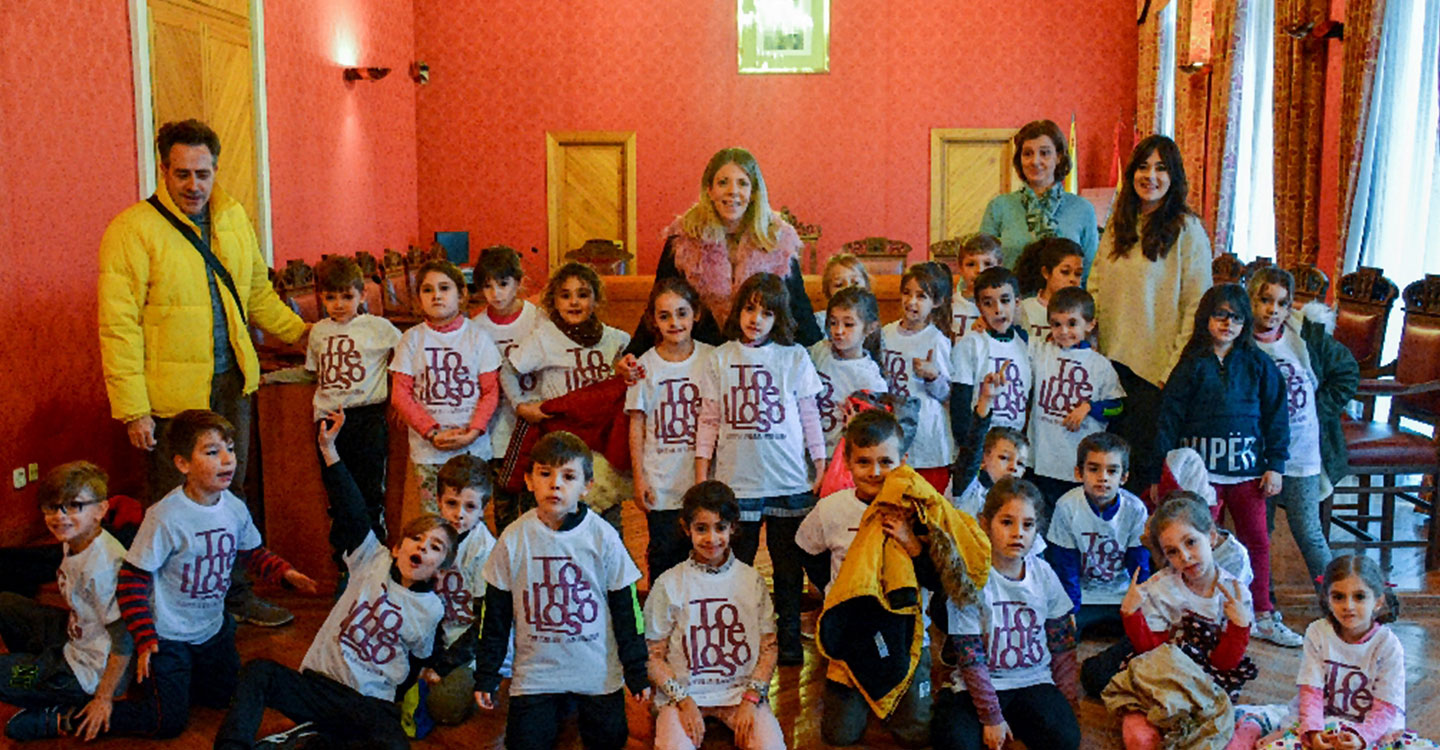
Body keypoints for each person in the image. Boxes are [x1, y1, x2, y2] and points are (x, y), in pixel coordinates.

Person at [97, 118, 307, 628]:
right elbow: (118, 327)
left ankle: (233, 597)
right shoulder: (131, 230)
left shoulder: (233, 217)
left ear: (216, 170)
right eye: (182, 173)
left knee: (229, 499)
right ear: (163, 170)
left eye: (203, 173)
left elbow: (257, 293)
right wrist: (133, 409)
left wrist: (307, 334)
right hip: (172, 400)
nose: (193, 185)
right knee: (174, 510)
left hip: (232, 381)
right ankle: (167, 612)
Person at [212, 412, 456, 750]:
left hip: (369, 704)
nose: (423, 548)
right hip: (320, 686)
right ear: (398, 547)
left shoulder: (431, 609)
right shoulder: (371, 559)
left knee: (393, 746)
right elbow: (350, 506)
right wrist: (329, 451)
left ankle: (312, 739)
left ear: (439, 571)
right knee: (259, 672)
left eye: (435, 548)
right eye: (416, 539)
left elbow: (420, 660)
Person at [108, 410, 317, 739]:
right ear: (182, 464)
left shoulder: (233, 506)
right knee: (168, 723)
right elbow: (132, 581)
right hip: (168, 637)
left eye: (230, 449)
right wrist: (145, 639)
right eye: (212, 452)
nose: (227, 460)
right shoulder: (164, 516)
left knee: (224, 699)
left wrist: (284, 573)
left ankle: (179, 679)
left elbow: (251, 552)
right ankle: (72, 715)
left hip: (212, 631)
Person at [473, 432, 649, 750]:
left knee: (611, 739)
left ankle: (574, 706)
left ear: (587, 487)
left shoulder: (602, 536)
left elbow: (627, 607)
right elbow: (494, 614)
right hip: (536, 674)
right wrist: (487, 672)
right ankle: (557, 708)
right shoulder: (514, 538)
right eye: (545, 474)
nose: (556, 484)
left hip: (596, 671)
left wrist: (636, 669)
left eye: (568, 476)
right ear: (529, 481)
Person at [1154, 284, 1300, 647]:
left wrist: (1275, 464)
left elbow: (1276, 418)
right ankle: (1198, 612)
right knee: (1201, 543)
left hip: (1248, 472)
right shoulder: (1190, 366)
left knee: (1257, 540)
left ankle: (1263, 612)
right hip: (1201, 476)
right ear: (1206, 318)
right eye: (1220, 314)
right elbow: (1167, 419)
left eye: (1236, 317)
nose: (1227, 323)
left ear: (1245, 322)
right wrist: (1162, 469)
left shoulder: (1259, 364)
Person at [695, 272, 825, 666]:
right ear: (738, 312)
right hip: (738, 483)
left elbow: (809, 416)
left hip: (788, 480)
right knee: (740, 566)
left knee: (788, 568)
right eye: (750, 309)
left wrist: (819, 463)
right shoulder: (720, 358)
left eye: (767, 313)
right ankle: (743, 633)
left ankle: (788, 636)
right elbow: (709, 419)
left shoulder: (794, 357)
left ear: (778, 317)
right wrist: (702, 473)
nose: (756, 319)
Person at [1088, 135, 1213, 492]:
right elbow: (1096, 283)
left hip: (1157, 371)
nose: (1150, 175)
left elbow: (1196, 305)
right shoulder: (1119, 222)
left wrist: (1172, 368)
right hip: (1111, 362)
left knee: (1145, 472)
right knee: (1111, 466)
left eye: (1160, 168)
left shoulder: (1187, 230)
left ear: (1173, 175)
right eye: (1143, 167)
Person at [619, 147, 821, 363]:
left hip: (763, 362)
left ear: (753, 193)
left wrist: (820, 356)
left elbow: (798, 309)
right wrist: (633, 354)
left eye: (742, 183)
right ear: (709, 190)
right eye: (723, 182)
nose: (732, 191)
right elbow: (660, 299)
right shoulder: (684, 238)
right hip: (702, 360)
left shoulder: (779, 240)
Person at [933, 477, 1080, 750]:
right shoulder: (971, 578)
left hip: (1033, 680)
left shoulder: (1044, 574)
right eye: (1007, 522)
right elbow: (970, 656)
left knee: (1066, 739)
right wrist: (991, 716)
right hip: (977, 684)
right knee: (953, 741)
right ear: (985, 523)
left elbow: (1062, 642)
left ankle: (1016, 722)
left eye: (1028, 525)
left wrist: (1067, 699)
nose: (1018, 533)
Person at [644, 481, 784, 750]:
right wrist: (683, 700)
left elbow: (769, 647)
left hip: (740, 694)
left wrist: (752, 697)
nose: (711, 538)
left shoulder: (751, 580)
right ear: (686, 529)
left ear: (733, 527)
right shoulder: (669, 583)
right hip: (683, 695)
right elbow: (653, 655)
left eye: (720, 527)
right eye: (701, 528)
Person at [1244, 556, 1437, 750]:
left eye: (1359, 597)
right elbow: (1311, 690)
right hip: (1324, 720)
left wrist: (1361, 738)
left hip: (1374, 729)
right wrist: (1313, 732)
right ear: (1327, 599)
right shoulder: (1318, 632)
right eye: (1338, 596)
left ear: (1378, 601)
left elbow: (1385, 708)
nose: (1348, 606)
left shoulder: (1388, 645)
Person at [1113, 493, 1256, 750]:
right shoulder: (1160, 587)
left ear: (1211, 537)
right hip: (1163, 675)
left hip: (1208, 679)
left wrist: (1239, 627)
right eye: (1173, 552)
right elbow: (1151, 653)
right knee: (1140, 738)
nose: (1185, 557)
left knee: (1215, 737)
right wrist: (1131, 615)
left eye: (1191, 542)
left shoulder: (1235, 592)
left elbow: (1224, 663)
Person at [0, 463, 132, 742]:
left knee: (3, 675)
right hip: (75, 636)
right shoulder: (75, 539)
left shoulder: (104, 568)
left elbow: (125, 640)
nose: (60, 517)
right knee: (6, 604)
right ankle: (39, 676)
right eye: (52, 507)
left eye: (74, 506)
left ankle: (56, 699)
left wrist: (104, 698)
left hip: (89, 672)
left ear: (101, 510)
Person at [1248, 267, 1358, 590]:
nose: (1273, 310)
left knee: (1309, 531)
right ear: (1250, 299)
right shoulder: (1241, 343)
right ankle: (1262, 601)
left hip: (1303, 452)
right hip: (1258, 455)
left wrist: (1319, 408)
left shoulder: (1306, 336)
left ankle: (1334, 597)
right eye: (1265, 300)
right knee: (1258, 532)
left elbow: (1347, 372)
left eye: (1282, 303)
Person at [510, 262, 632, 529]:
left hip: (599, 447)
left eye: (583, 294)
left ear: (596, 299)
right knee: (557, 519)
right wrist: (520, 405)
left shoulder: (616, 340)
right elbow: (509, 369)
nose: (574, 302)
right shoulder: (545, 338)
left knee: (607, 523)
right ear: (554, 300)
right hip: (560, 443)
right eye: (565, 295)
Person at [390, 259, 503, 518]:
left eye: (444, 288)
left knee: (472, 519)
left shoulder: (477, 336)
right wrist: (431, 432)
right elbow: (400, 394)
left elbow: (490, 391)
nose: (436, 295)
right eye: (427, 290)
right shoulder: (411, 339)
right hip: (429, 450)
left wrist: (473, 432)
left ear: (461, 294)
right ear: (418, 298)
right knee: (435, 520)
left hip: (472, 447)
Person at [306, 255, 401, 549]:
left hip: (366, 417)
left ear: (362, 294)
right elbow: (314, 372)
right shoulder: (319, 331)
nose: (338, 304)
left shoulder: (378, 327)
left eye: (347, 296)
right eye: (330, 297)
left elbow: (407, 353)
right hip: (329, 418)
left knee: (369, 490)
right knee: (338, 489)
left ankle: (374, 554)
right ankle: (344, 561)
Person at [626, 278, 713, 583]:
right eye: (665, 316)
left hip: (701, 478)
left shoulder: (712, 358)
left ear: (696, 314)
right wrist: (639, 478)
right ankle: (660, 622)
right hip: (661, 480)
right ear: (654, 321)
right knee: (664, 554)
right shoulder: (643, 366)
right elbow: (636, 424)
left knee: (703, 555)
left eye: (681, 313)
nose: (674, 322)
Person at [1027, 287, 1124, 515]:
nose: (1063, 331)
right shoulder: (1041, 352)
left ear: (1090, 324)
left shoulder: (1100, 365)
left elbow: (1118, 406)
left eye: (1072, 324)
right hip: (1041, 462)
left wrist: (1090, 407)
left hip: (1077, 468)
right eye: (1056, 324)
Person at [417, 454, 499, 726]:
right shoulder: (432, 537)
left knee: (445, 707)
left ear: (483, 508)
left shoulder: (484, 551)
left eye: (470, 506)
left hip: (472, 647)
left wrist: (443, 664)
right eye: (451, 503)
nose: (459, 514)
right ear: (438, 501)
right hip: (441, 635)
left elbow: (486, 625)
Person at [1044, 432, 1150, 638]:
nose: (1103, 477)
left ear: (1124, 477)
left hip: (1122, 595)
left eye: (1112, 471)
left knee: (1142, 637)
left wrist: (1140, 603)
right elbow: (1065, 565)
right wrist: (1070, 609)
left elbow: (1139, 564)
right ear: (1079, 472)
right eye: (1094, 469)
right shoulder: (1067, 506)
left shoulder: (1135, 509)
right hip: (1084, 597)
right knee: (1059, 636)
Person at [470, 244, 543, 533]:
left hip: (534, 422)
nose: (496, 293)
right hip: (497, 427)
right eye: (487, 286)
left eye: (502, 284)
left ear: (518, 282)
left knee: (536, 501)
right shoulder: (476, 327)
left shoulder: (538, 318)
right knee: (504, 506)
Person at [978, 120, 1099, 275]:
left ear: (1059, 157)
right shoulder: (999, 207)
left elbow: (1092, 272)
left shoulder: (1083, 209)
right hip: (1012, 298)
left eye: (1045, 153)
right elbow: (980, 265)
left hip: (1066, 298)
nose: (1035, 161)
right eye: (1027, 153)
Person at [950, 267, 1032, 480]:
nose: (998, 309)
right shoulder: (971, 344)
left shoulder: (1026, 345)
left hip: (1013, 451)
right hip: (980, 451)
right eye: (988, 303)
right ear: (979, 307)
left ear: (1017, 302)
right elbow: (960, 404)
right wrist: (970, 449)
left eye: (1005, 300)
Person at [882, 262, 955, 493]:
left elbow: (946, 393)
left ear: (937, 302)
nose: (911, 302)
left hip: (927, 432)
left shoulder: (936, 340)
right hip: (894, 426)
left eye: (921, 296)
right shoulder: (886, 333)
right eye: (907, 293)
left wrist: (932, 375)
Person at [809, 286, 888, 457]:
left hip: (842, 460)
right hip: (810, 453)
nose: (838, 331)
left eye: (848, 324)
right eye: (833, 323)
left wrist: (859, 427)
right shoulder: (819, 351)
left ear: (870, 328)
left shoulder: (871, 379)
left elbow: (877, 435)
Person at [1013, 237, 1085, 341]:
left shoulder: (1083, 313)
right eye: (1065, 272)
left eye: (1078, 274)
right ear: (1046, 273)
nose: (1073, 279)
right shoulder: (1024, 309)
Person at [953, 427, 1028, 519]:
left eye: (1020, 463)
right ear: (982, 460)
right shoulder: (968, 490)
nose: (1013, 467)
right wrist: (982, 418)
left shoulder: (1023, 505)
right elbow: (972, 451)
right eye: (1004, 458)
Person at [950, 233, 1002, 339]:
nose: (979, 270)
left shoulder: (1006, 307)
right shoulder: (950, 305)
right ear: (960, 267)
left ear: (999, 266)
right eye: (971, 264)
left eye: (988, 264)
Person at [814, 253, 872, 330]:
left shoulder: (871, 323)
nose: (848, 289)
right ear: (828, 291)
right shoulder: (818, 322)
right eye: (839, 285)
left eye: (855, 283)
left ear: (866, 287)